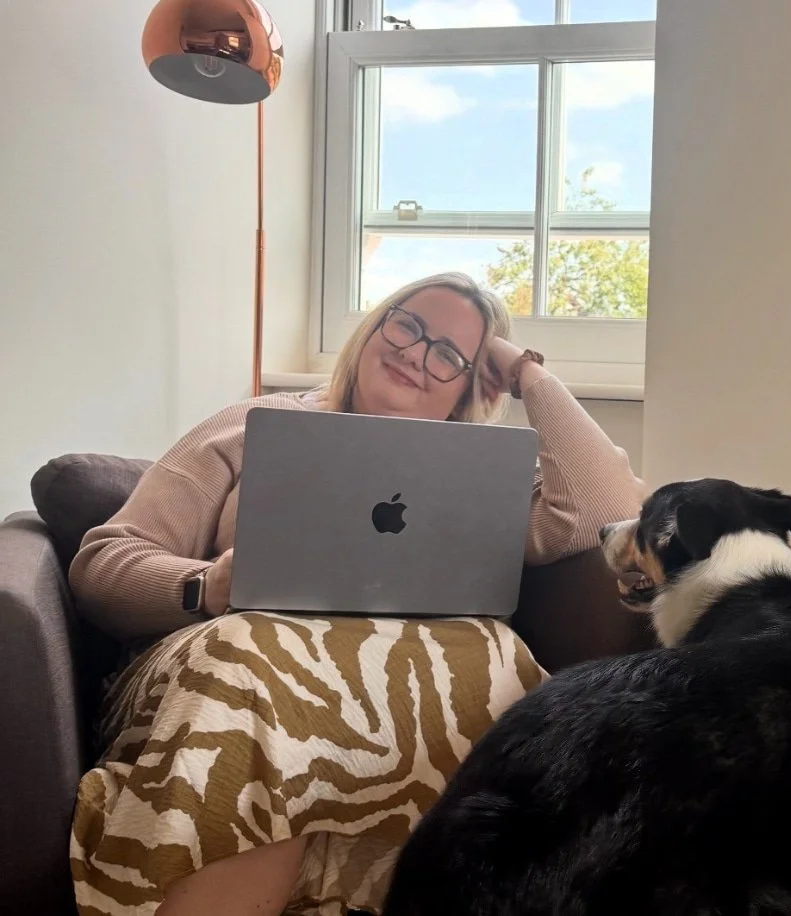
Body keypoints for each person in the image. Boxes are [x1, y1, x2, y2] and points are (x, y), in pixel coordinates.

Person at [69, 272, 644, 916]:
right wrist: (207, 586)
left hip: (412, 684)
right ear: (375, 324)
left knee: (498, 663)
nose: (416, 353)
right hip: (235, 663)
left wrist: (526, 372)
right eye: (408, 325)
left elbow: (611, 508)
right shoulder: (250, 425)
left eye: (450, 354)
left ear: (470, 387)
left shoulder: (487, 470)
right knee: (254, 654)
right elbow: (103, 562)